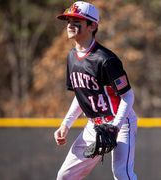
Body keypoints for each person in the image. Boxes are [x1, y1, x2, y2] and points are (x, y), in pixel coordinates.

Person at [54, 1, 137, 180]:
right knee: (65, 176)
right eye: (69, 20)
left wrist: (114, 127)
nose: (70, 25)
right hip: (94, 125)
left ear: (92, 26)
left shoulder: (106, 59)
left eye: (77, 21)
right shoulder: (71, 57)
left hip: (120, 123)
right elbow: (81, 94)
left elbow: (128, 96)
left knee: (122, 174)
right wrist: (66, 124)